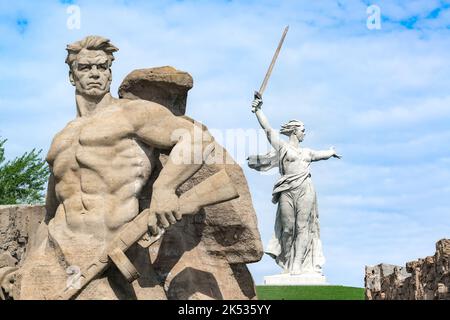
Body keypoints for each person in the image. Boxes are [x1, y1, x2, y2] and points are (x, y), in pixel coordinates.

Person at [0, 36, 213, 299]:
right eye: (85, 68)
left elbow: (199, 139)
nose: (94, 74)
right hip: (57, 254)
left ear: (110, 74)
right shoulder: (60, 139)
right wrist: (30, 263)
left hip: (111, 255)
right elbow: (50, 213)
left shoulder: (132, 114)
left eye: (102, 67)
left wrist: (165, 187)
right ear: (71, 76)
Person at [248, 96, 341, 275]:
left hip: (305, 188)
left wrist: (331, 152)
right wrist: (258, 110)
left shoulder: (307, 152)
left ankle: (298, 265)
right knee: (288, 228)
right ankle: (288, 264)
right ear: (294, 132)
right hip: (287, 190)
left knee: (303, 227)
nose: (304, 133)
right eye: (302, 130)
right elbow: (268, 130)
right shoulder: (283, 148)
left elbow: (323, 154)